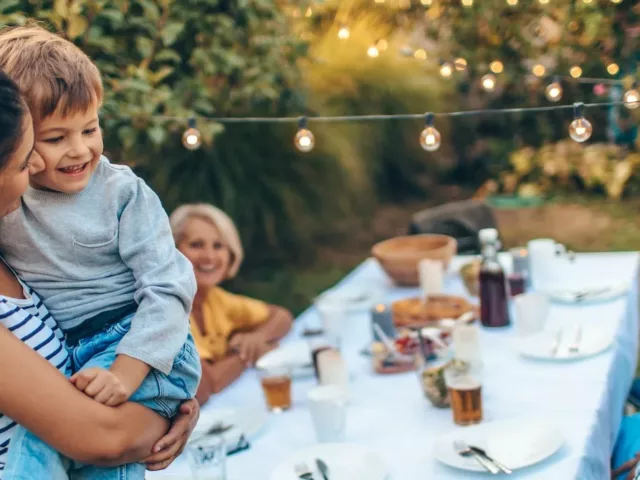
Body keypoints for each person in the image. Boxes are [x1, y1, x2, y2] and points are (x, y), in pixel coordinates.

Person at [0, 26, 201, 479]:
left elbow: (168, 286)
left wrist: (133, 375)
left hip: (131, 340)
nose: (79, 149)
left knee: (43, 441)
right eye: (53, 139)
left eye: (90, 128)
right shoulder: (17, 200)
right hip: (84, 361)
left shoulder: (120, 193)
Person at [170, 204, 293, 403]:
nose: (209, 256)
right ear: (172, 250)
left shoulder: (214, 298)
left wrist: (257, 337)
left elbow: (281, 316)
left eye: (218, 246)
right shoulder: (169, 305)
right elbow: (208, 382)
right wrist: (249, 352)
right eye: (196, 245)